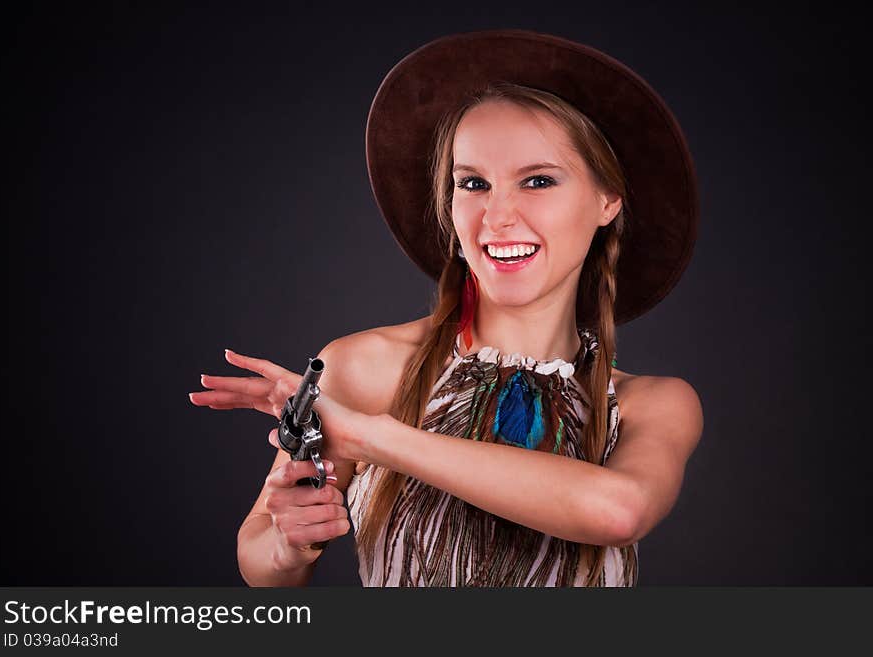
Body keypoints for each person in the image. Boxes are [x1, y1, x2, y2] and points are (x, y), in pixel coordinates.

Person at [188, 29, 704, 586]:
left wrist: (369, 437)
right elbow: (261, 559)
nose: (498, 215)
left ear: (607, 202)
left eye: (537, 180)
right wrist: (290, 546)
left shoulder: (651, 405)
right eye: (474, 183)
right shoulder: (366, 367)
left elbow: (617, 512)